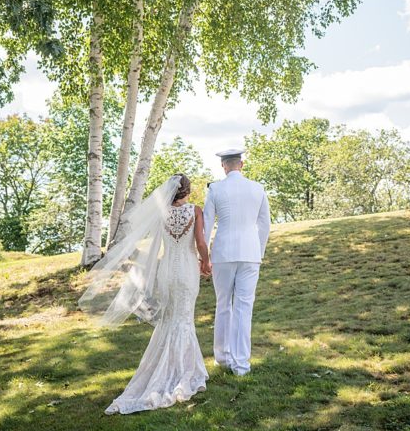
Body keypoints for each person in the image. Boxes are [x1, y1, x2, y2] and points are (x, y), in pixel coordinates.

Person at [78, 173, 212, 414]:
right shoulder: (196, 211)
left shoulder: (161, 213)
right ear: (188, 191)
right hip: (187, 271)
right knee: (183, 319)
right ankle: (182, 375)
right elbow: (201, 242)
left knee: (171, 320)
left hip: (166, 272)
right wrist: (206, 262)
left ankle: (181, 368)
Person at [203, 147, 270, 376]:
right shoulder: (258, 188)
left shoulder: (215, 189)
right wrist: (258, 251)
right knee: (244, 307)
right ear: (241, 165)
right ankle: (241, 365)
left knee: (223, 305)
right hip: (250, 253)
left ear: (224, 166)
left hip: (223, 253)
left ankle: (222, 358)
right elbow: (265, 225)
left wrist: (204, 256)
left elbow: (207, 224)